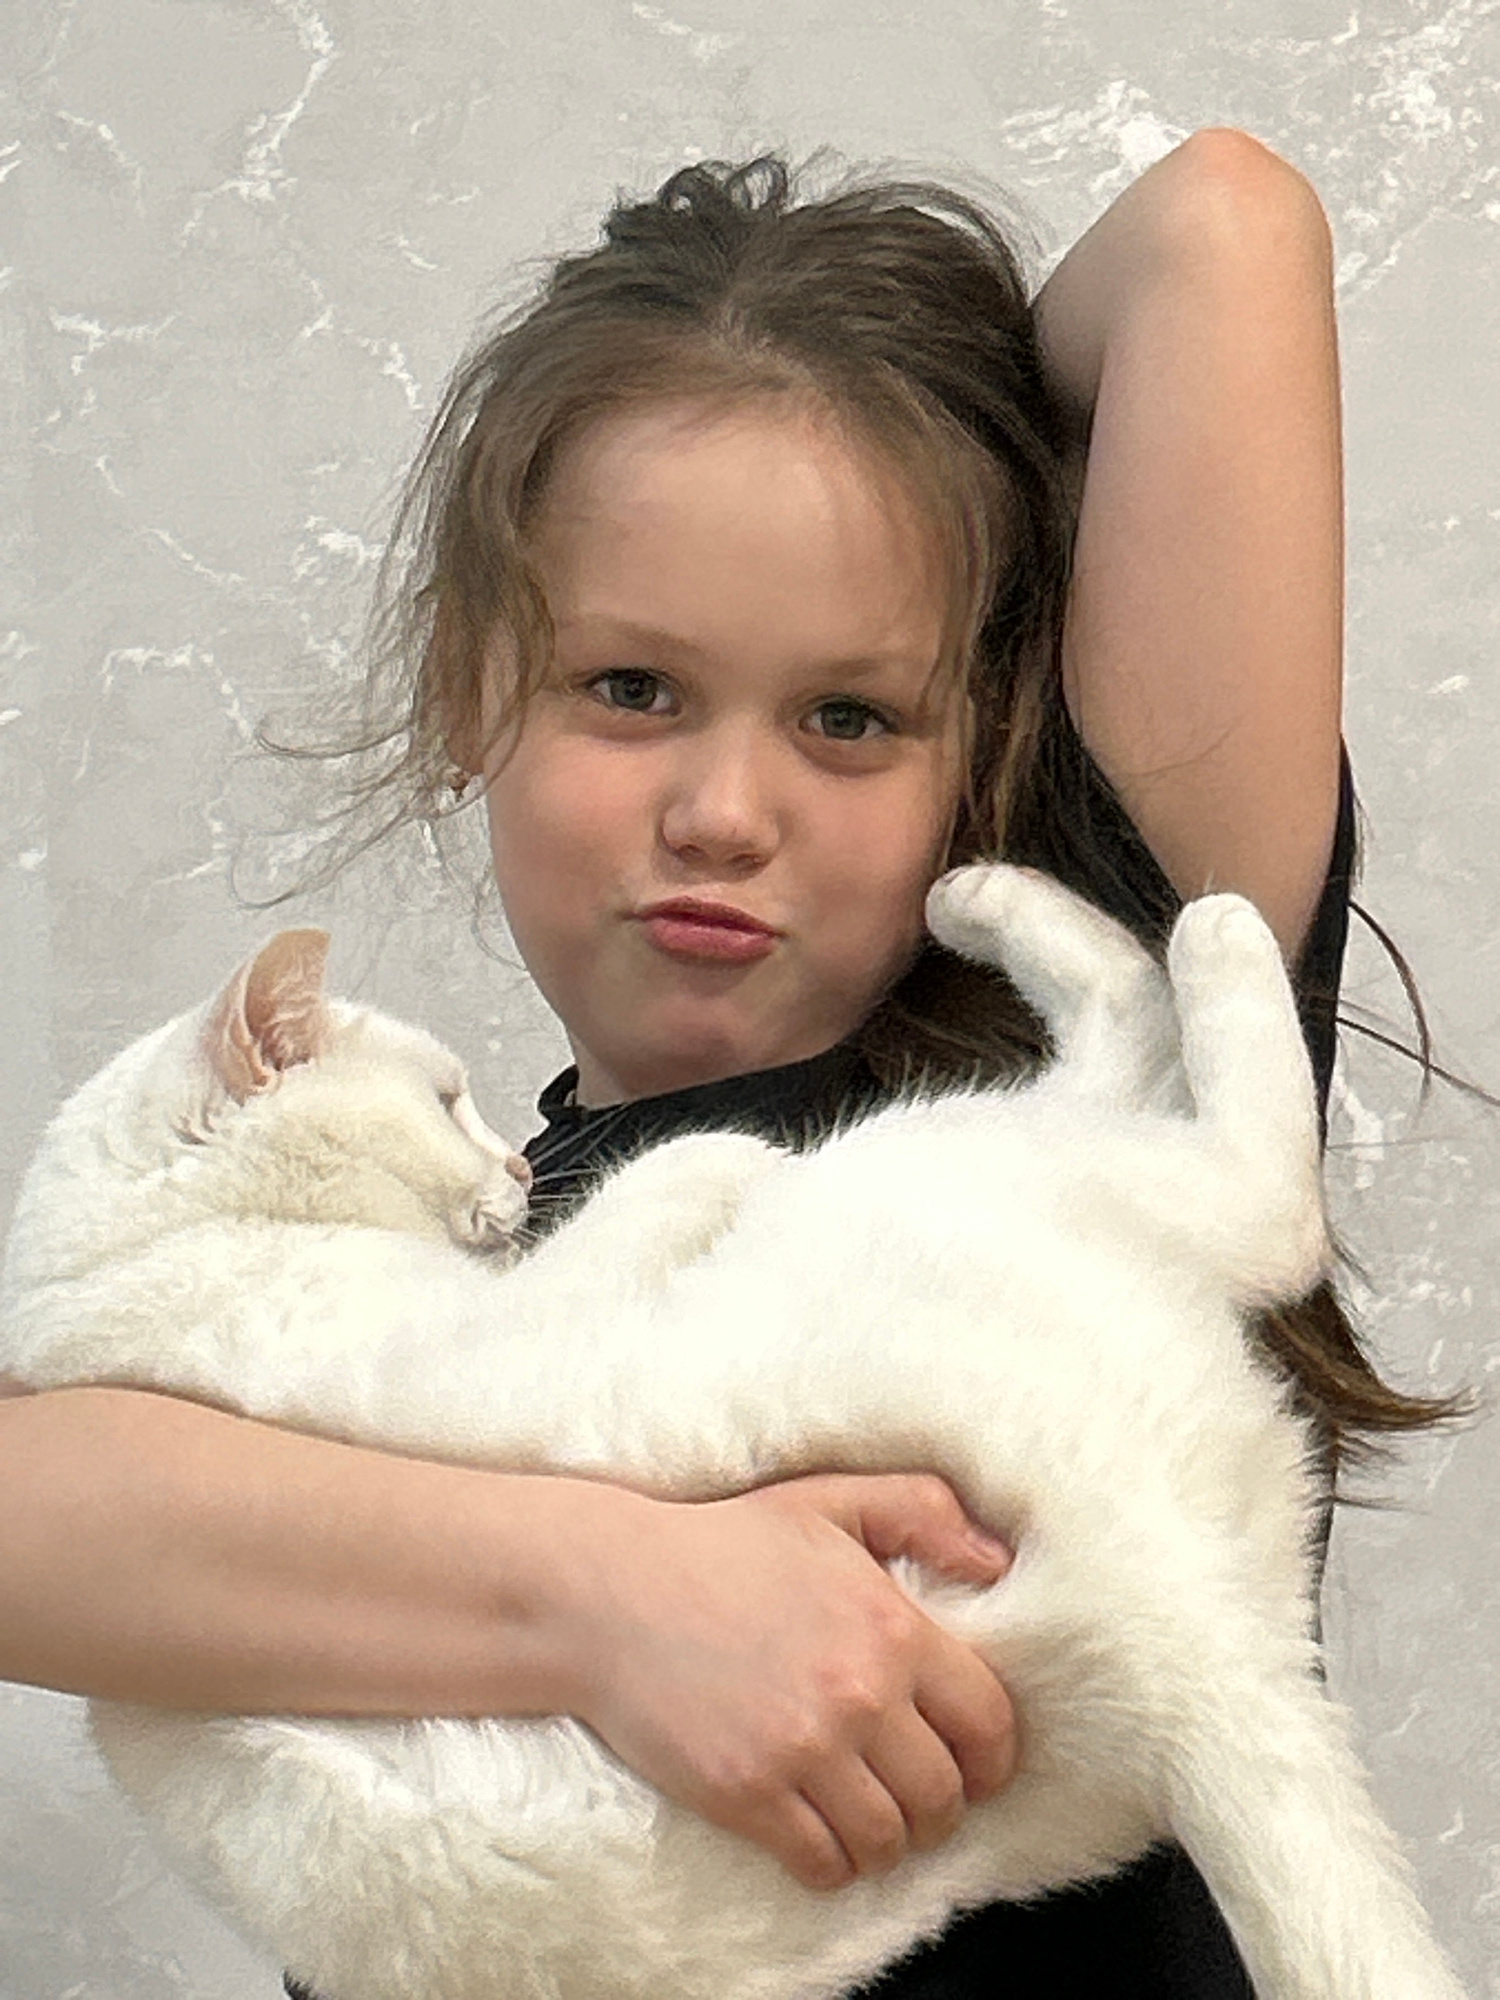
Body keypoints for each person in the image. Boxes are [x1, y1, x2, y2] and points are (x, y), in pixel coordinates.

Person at [0, 133, 1451, 1998]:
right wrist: (613, 1599)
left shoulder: (1078, 1091)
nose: (724, 811)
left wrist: (927, 420)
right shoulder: (412, 1253)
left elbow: (1219, 229)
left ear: (982, 750)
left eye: (851, 715)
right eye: (632, 689)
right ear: (472, 683)